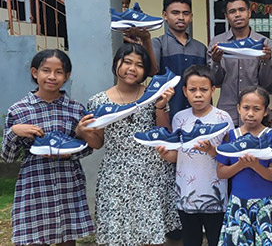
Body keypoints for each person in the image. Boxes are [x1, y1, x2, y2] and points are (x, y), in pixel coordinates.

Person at [84, 43, 180, 245]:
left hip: (151, 174)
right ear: (116, 63)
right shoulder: (98, 101)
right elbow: (98, 143)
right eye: (127, 62)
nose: (132, 69)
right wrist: (82, 132)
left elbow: (164, 133)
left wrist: (160, 106)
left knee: (151, 233)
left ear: (145, 71)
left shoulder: (153, 94)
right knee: (119, 233)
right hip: (116, 175)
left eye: (139, 65)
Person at [1, 50, 95, 246]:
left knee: (67, 240)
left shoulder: (75, 109)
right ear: (35, 72)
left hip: (68, 185)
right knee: (34, 240)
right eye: (46, 70)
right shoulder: (18, 110)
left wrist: (78, 136)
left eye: (59, 72)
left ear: (67, 76)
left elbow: (87, 149)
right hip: (35, 186)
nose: (52, 77)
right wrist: (14, 132)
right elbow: (8, 157)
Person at [158, 65, 234, 246]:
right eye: (192, 90)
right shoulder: (179, 118)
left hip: (215, 196)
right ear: (184, 91)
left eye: (203, 89)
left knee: (217, 240)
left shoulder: (223, 118)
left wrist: (211, 151)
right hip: (186, 195)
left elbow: (230, 156)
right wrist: (164, 154)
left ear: (213, 90)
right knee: (191, 241)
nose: (198, 94)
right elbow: (178, 156)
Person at [215, 86, 272, 245]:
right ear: (238, 108)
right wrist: (240, 164)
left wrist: (255, 165)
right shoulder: (230, 136)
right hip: (239, 203)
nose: (250, 113)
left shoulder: (271, 136)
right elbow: (221, 172)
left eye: (256, 109)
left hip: (266, 203)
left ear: (265, 111)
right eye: (246, 108)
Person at [208, 0, 272, 126]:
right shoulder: (217, 42)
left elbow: (266, 82)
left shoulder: (264, 43)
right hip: (227, 113)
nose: (237, 14)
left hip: (255, 114)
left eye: (241, 10)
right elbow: (215, 81)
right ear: (227, 17)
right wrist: (215, 61)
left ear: (249, 13)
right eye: (232, 11)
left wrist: (266, 60)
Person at [151, 0, 208, 118]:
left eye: (186, 13)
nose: (181, 17)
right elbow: (152, 71)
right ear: (165, 15)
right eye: (175, 13)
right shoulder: (158, 44)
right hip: (167, 111)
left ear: (191, 17)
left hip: (198, 114)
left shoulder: (201, 48)